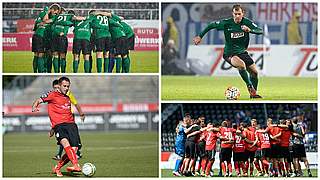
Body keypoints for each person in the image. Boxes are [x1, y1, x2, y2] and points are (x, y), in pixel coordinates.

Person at [193, 4, 263, 99]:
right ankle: (249, 86)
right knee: (241, 65)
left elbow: (260, 31)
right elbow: (211, 25)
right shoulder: (226, 23)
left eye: (239, 14)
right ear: (232, 14)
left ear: (243, 13)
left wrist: (249, 30)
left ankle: (253, 94)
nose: (237, 16)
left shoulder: (247, 22)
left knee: (254, 73)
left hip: (242, 52)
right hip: (229, 53)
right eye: (235, 14)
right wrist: (200, 36)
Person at [32, 77, 81, 177]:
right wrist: (34, 106)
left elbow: (70, 113)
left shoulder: (67, 97)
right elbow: (39, 100)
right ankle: (76, 165)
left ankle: (57, 168)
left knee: (74, 149)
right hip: (59, 126)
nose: (67, 88)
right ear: (59, 85)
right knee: (66, 145)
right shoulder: (52, 94)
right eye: (64, 86)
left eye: (68, 86)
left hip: (71, 125)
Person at [49, 79, 85, 161]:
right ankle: (66, 154)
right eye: (54, 88)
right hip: (60, 120)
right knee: (64, 138)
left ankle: (76, 152)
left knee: (69, 138)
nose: (56, 89)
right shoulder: (53, 95)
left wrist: (81, 113)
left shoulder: (68, 94)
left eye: (57, 87)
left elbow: (76, 104)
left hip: (69, 118)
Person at [32, 4, 60, 73]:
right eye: (56, 11)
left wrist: (41, 23)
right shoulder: (53, 16)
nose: (57, 13)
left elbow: (36, 26)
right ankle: (43, 71)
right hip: (43, 36)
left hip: (36, 35)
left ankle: (36, 71)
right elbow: (45, 21)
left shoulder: (41, 14)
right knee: (43, 54)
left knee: (36, 54)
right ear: (54, 10)